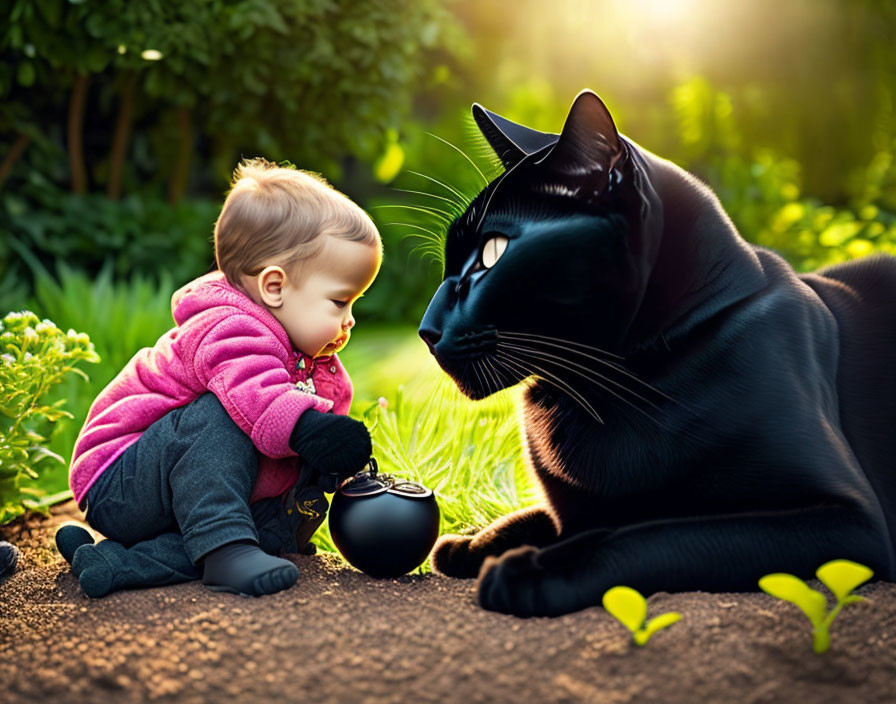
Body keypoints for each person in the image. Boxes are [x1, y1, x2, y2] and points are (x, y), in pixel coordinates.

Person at [54, 157, 382, 598]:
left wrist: (338, 473)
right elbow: (260, 400)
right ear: (274, 286)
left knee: (275, 532)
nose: (350, 320)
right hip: (120, 477)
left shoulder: (307, 359)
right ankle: (226, 547)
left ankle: (115, 562)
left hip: (175, 490)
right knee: (222, 413)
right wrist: (309, 428)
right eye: (340, 302)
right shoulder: (228, 326)